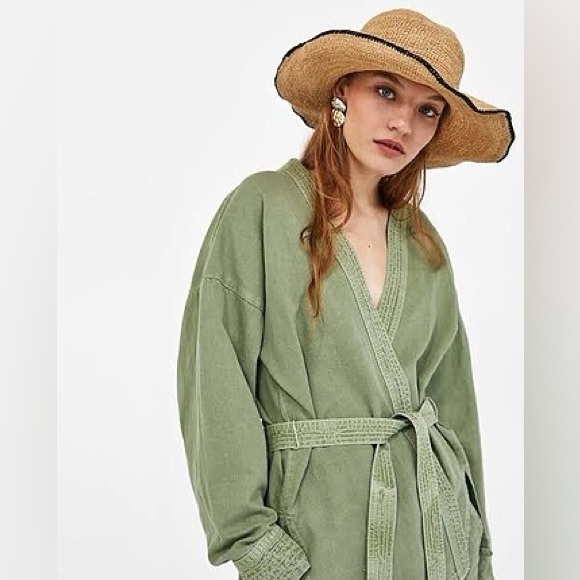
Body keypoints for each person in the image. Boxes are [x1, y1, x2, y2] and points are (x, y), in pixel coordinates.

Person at [176, 8, 514, 580]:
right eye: (386, 91)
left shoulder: (424, 243)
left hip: (435, 538)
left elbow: (454, 404)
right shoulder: (262, 208)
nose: (403, 123)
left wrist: (477, 550)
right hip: (317, 536)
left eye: (427, 109)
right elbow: (215, 376)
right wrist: (253, 544)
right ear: (342, 92)